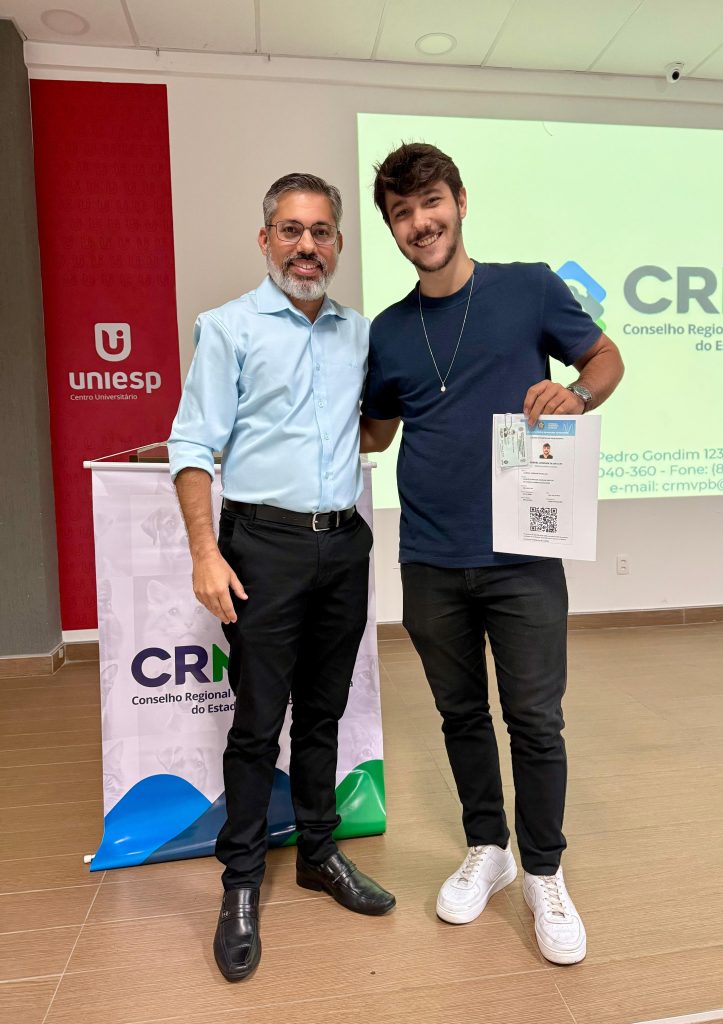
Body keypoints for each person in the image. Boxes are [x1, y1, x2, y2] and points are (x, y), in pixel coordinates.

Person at [360, 143, 624, 965]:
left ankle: (544, 871)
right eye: (402, 213)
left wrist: (577, 394)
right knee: (461, 715)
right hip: (429, 556)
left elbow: (606, 358)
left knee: (536, 720)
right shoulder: (388, 331)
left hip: (524, 553)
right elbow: (376, 433)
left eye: (430, 203)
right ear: (392, 228)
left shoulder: (528, 286)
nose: (420, 223)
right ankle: (489, 848)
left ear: (461, 201)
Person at [168, 172, 395, 984]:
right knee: (259, 723)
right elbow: (192, 446)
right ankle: (239, 882)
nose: (307, 246)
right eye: (291, 230)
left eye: (321, 231)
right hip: (261, 546)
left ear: (339, 243)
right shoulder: (228, 327)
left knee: (324, 713)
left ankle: (319, 853)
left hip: (343, 544)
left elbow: (373, 434)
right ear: (265, 240)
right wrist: (205, 553)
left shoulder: (358, 333)